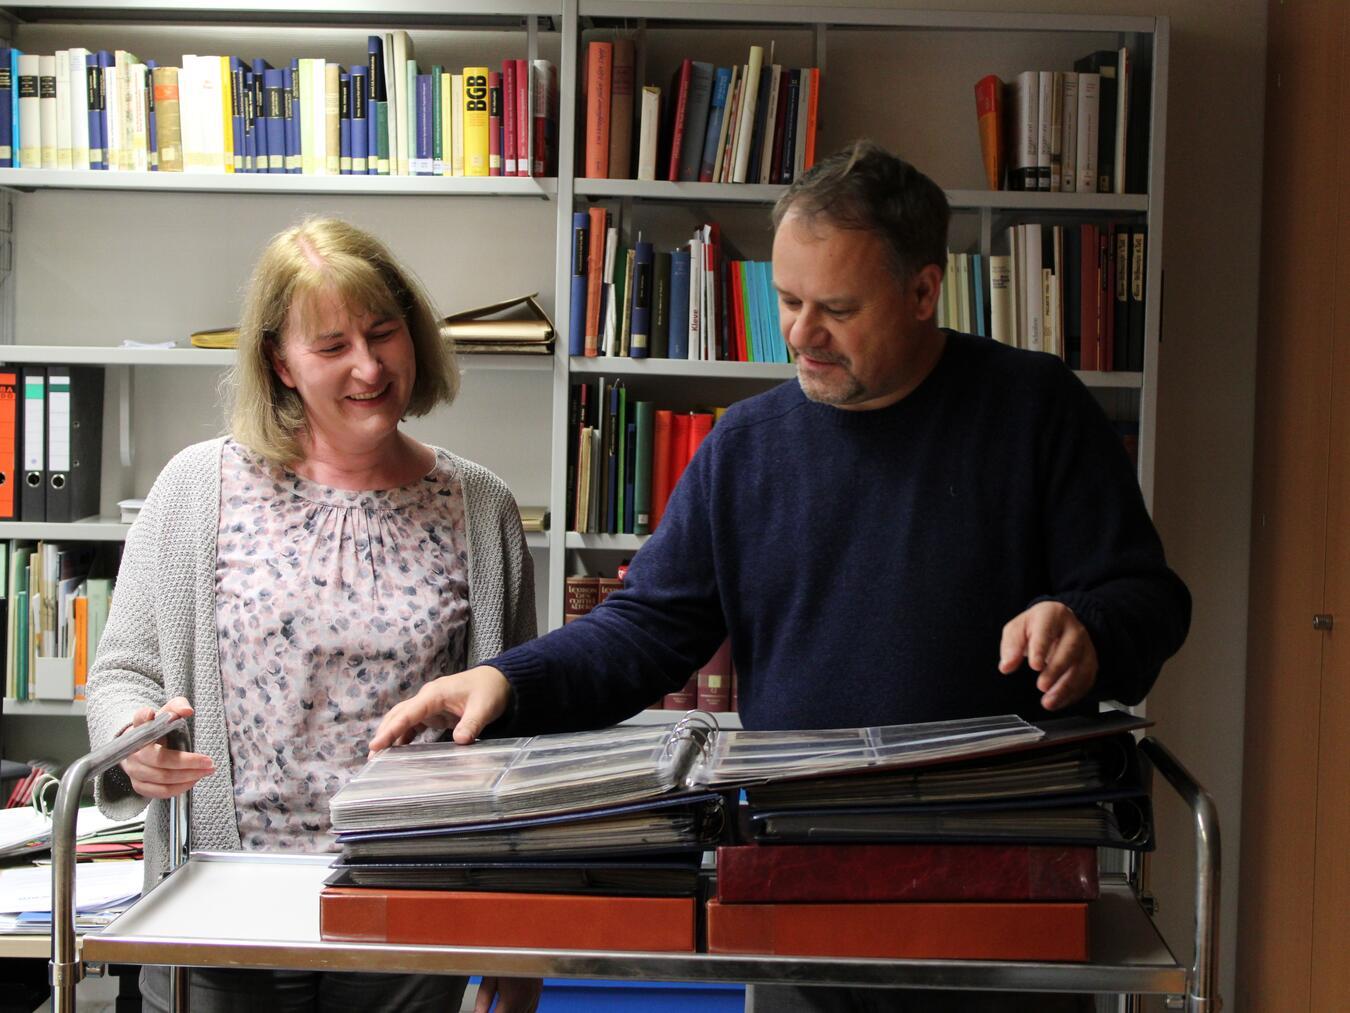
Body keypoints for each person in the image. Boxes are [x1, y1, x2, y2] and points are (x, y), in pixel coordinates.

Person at [371, 142, 1192, 1011]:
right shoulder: (747, 447)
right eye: (788, 300)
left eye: (835, 308)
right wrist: (505, 678)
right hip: (796, 876)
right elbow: (648, 628)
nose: (799, 335)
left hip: (993, 883)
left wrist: (1089, 632)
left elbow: (1150, 598)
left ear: (923, 290)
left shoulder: (1035, 409)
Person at [86, 218, 541, 1013]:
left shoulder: (482, 507)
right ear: (280, 363)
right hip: (221, 907)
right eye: (331, 346)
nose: (368, 366)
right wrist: (134, 741)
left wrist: (520, 923)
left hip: (411, 910)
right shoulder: (194, 488)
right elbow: (125, 666)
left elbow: (519, 732)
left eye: (383, 333)